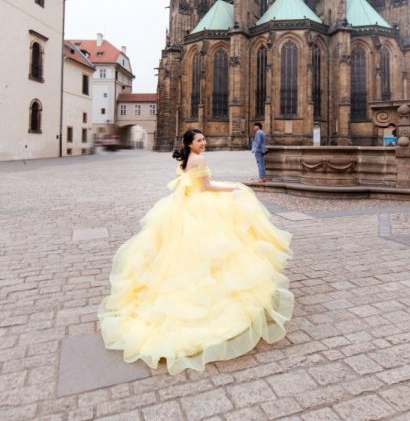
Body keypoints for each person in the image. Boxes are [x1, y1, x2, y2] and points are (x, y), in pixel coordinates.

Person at [98, 128, 294, 374]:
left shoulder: (187, 160)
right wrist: (233, 189)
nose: (204, 142)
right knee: (218, 245)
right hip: (201, 207)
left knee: (185, 254)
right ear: (190, 144)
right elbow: (207, 187)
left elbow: (192, 186)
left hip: (186, 207)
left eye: (204, 138)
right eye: (200, 140)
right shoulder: (199, 159)